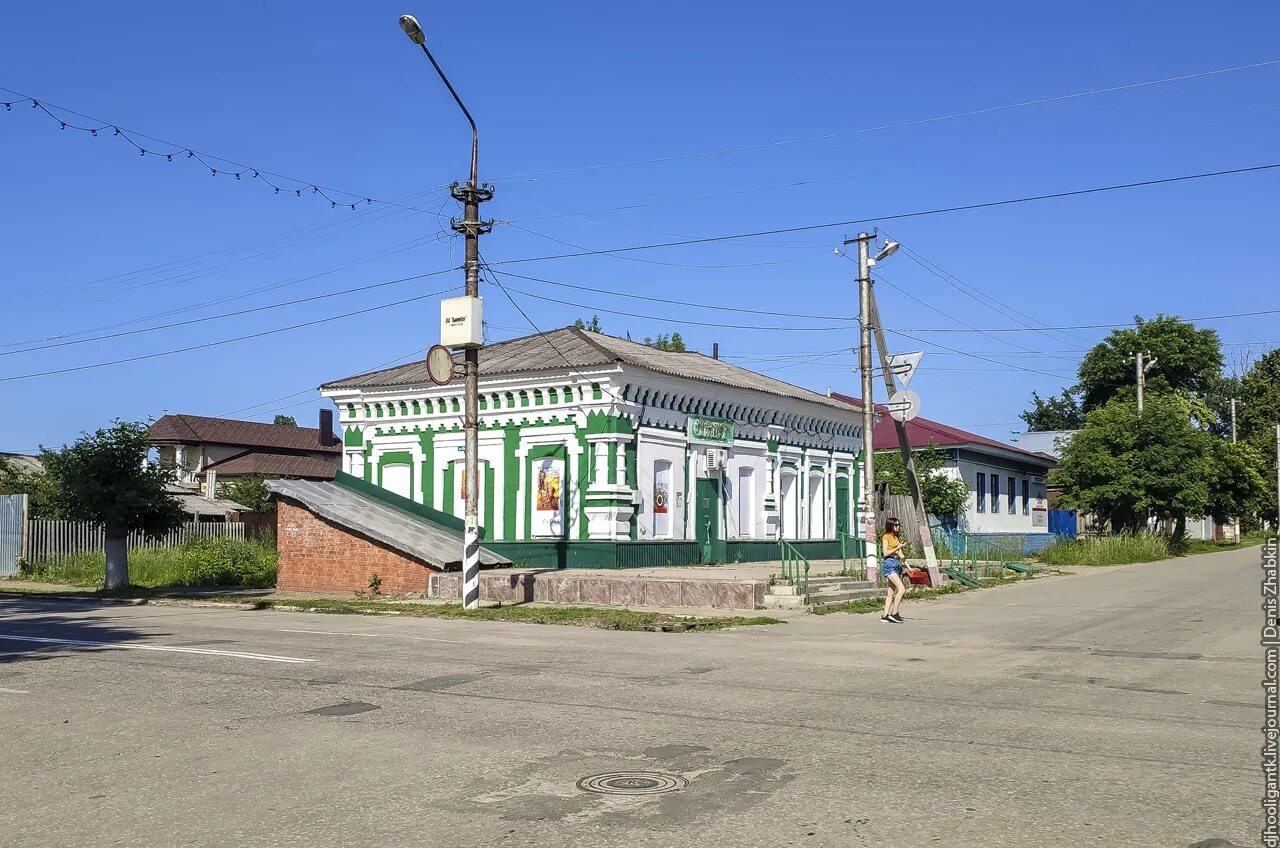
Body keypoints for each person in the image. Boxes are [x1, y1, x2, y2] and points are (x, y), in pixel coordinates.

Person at [880, 517, 908, 623]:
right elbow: (885, 553)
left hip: (895, 564)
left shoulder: (896, 538)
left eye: (899, 525)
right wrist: (898, 547)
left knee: (890, 592)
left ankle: (885, 615)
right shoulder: (886, 537)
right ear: (890, 525)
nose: (898, 527)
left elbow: (901, 554)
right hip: (889, 564)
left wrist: (908, 567)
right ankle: (894, 613)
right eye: (896, 525)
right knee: (902, 589)